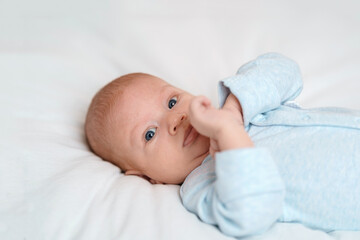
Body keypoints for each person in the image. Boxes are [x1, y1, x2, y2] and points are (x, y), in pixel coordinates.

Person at [85, 53, 360, 238]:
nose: (175, 118)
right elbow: (251, 212)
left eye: (171, 102)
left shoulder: (244, 106)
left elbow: (283, 68)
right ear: (147, 176)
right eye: (149, 134)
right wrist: (228, 134)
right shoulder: (201, 185)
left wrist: (233, 112)